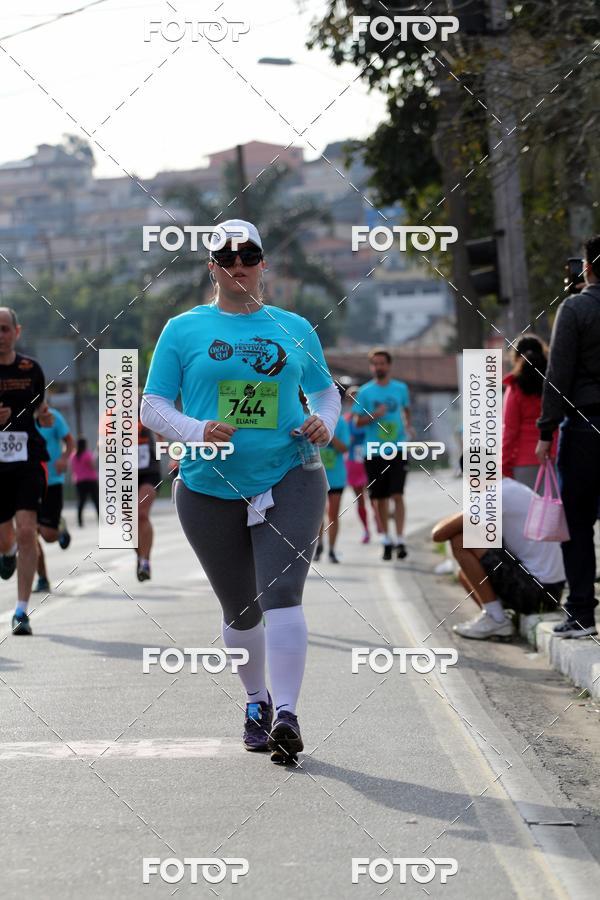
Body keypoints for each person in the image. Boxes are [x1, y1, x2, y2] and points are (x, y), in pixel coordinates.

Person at [140, 219, 340, 765]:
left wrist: (325, 423)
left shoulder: (294, 326)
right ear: (212, 267)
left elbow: (326, 394)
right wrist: (196, 430)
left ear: (262, 263)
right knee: (241, 608)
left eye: (249, 256)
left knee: (282, 595)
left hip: (290, 472)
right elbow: (151, 405)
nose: (239, 265)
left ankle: (289, 716)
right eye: (227, 258)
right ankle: (257, 700)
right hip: (207, 484)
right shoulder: (182, 330)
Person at [536, 234, 600, 638]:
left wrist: (546, 430)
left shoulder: (576, 308)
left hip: (584, 429)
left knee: (577, 522)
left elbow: (558, 373)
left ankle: (581, 613)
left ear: (588, 267)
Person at [433, 477, 566, 640]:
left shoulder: (495, 494)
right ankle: (498, 614)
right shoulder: (513, 487)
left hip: (537, 594)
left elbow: (438, 534)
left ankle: (497, 620)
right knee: (465, 573)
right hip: (553, 591)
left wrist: (466, 511)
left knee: (461, 540)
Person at [0, 307, 50, 636]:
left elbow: (41, 410)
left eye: (5, 328)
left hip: (27, 458)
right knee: (6, 538)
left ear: (17, 331)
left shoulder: (31, 369)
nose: (0, 335)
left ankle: (21, 610)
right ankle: (6, 553)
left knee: (27, 529)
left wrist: (45, 417)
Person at [355, 348, 414, 561]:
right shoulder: (365, 392)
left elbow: (406, 409)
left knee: (397, 494)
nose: (379, 367)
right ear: (371, 367)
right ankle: (386, 539)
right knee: (379, 498)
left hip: (397, 449)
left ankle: (400, 539)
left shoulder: (400, 389)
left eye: (382, 363)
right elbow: (357, 421)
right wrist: (374, 415)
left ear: (389, 365)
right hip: (373, 451)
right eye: (375, 364)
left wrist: (408, 425)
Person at [503, 335, 554, 489]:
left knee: (530, 512)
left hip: (524, 462)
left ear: (516, 358)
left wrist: (504, 464)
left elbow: (510, 430)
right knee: (556, 511)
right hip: (555, 457)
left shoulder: (515, 387)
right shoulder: (554, 384)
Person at [34, 402, 74, 592]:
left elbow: (70, 441)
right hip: (28, 482)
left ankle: (59, 529)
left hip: (52, 480)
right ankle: (42, 578)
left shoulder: (53, 416)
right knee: (30, 533)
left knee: (48, 535)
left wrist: (64, 458)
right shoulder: (17, 418)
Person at [315, 403, 350, 563]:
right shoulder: (311, 420)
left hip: (336, 477)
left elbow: (344, 449)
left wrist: (329, 434)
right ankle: (319, 545)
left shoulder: (341, 422)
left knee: (333, 514)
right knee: (317, 515)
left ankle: (332, 550)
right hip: (316, 476)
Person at [344, 385, 375, 543]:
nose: (355, 400)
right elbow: (344, 440)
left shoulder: (369, 417)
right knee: (360, 498)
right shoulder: (346, 420)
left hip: (370, 457)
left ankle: (379, 522)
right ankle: (366, 530)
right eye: (351, 398)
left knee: (375, 494)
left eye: (358, 397)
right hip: (354, 461)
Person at [136, 418, 162, 582]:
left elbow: (161, 431)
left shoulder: (144, 408)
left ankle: (145, 561)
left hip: (149, 471)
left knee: (141, 514)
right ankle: (140, 556)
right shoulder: (109, 415)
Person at [70, 438, 99, 526]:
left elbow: (73, 469)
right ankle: (100, 519)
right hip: (90, 480)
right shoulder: (87, 454)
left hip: (79, 481)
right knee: (96, 500)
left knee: (81, 501)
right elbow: (93, 466)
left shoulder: (73, 456)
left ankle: (80, 521)